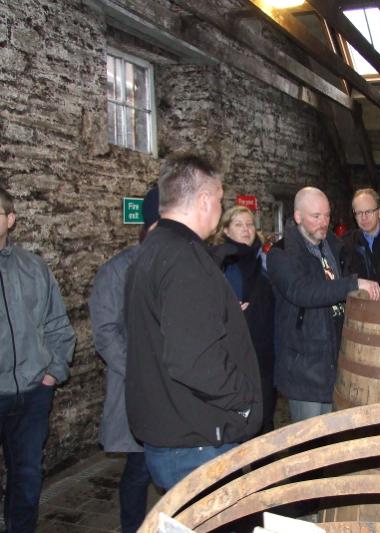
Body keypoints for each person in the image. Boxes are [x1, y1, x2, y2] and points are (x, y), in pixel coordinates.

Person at [125, 155, 262, 492]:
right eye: (218, 198)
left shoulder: (152, 249)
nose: (219, 206)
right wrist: (244, 400)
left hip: (173, 431)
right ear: (204, 201)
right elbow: (194, 360)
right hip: (196, 441)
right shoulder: (183, 258)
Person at [267, 187, 380, 422]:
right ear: (298, 217)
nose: (324, 222)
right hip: (304, 362)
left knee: (333, 437)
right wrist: (352, 284)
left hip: (336, 357)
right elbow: (302, 291)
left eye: (327, 215)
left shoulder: (336, 247)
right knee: (309, 442)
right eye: (315, 216)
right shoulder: (281, 254)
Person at [0, 187, 76, 533]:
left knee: (27, 477)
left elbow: (57, 323)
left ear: (10, 220)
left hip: (31, 392)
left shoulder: (32, 267)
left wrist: (53, 373)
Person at [88, 186, 159, 533]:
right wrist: (142, 371)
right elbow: (106, 332)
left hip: (174, 389)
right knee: (140, 468)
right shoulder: (118, 271)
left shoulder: (182, 265)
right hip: (139, 387)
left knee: (172, 467)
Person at [212, 205, 276, 433]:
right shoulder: (219, 262)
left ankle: (265, 467)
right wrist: (226, 310)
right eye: (238, 224)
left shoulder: (266, 259)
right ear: (226, 230)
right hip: (236, 352)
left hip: (265, 348)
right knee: (241, 418)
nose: (246, 229)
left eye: (249, 224)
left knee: (266, 415)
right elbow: (205, 305)